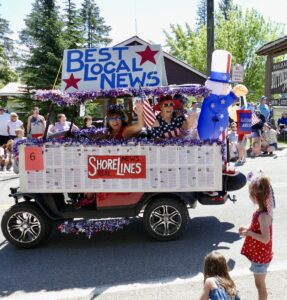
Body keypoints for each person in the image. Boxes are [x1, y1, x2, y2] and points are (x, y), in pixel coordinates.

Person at [239, 173, 274, 300]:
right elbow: (257, 226)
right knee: (260, 283)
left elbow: (265, 239)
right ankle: (263, 293)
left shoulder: (263, 216)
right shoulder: (262, 212)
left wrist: (249, 233)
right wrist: (248, 227)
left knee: (259, 285)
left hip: (261, 257)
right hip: (261, 255)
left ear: (254, 196)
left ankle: (263, 296)